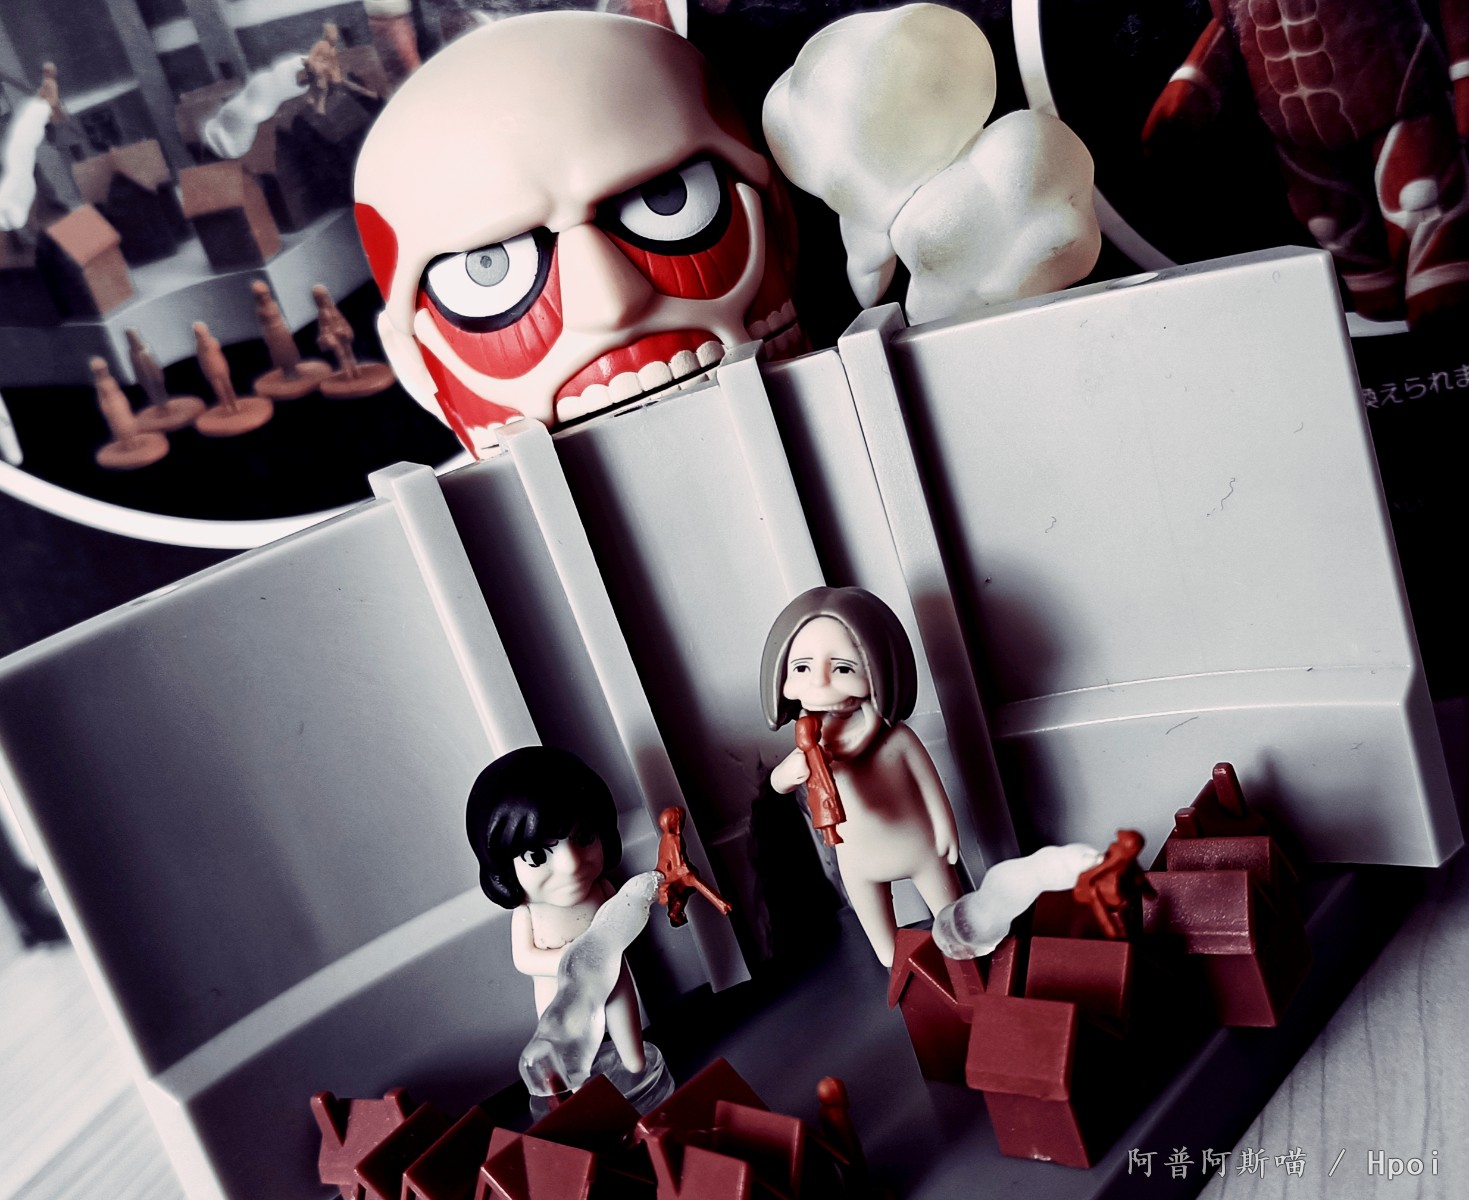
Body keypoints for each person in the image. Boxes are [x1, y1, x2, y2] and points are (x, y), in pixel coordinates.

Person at [761, 586, 963, 968]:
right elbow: (778, 783)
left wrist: (945, 829)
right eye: (802, 668)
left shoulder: (896, 740)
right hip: (857, 859)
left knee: (954, 923)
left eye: (843, 668)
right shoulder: (810, 747)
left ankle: (964, 950)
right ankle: (895, 966)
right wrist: (793, 770)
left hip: (919, 846)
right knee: (887, 949)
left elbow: (929, 785)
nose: (820, 684)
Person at [465, 746, 645, 1074]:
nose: (571, 864)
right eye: (537, 856)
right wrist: (573, 959)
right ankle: (577, 1084)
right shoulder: (528, 914)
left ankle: (634, 1061)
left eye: (585, 838)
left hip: (611, 972)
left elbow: (623, 919)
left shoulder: (602, 889)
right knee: (564, 1040)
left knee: (622, 1005)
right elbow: (524, 959)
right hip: (558, 989)